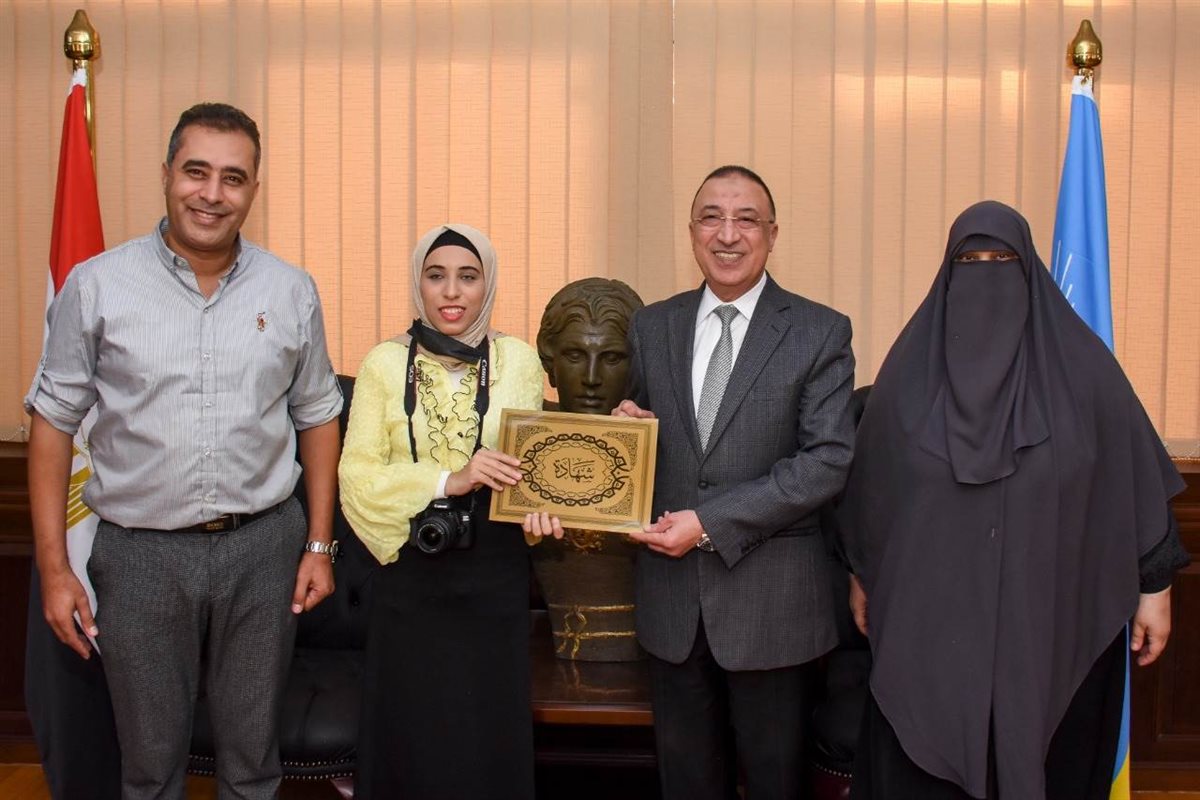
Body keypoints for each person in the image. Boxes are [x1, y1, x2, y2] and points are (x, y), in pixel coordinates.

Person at [26, 102, 344, 800]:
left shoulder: (290, 290)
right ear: (167, 173)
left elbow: (319, 415)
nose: (212, 193)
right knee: (150, 767)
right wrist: (54, 569)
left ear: (253, 190)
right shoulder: (96, 285)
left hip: (264, 549)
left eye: (233, 178)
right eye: (196, 171)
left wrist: (319, 544)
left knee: (253, 763)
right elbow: (52, 423)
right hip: (139, 556)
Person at [838, 201, 1190, 800]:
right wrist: (860, 574)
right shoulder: (906, 382)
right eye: (969, 261)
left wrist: (1154, 588)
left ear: (1029, 271)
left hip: (1053, 624)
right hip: (932, 634)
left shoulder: (1085, 375)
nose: (986, 274)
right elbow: (872, 493)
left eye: (1002, 260)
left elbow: (1134, 478)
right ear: (947, 275)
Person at [612, 165, 857, 799]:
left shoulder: (819, 330)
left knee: (775, 783)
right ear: (691, 231)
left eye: (746, 219)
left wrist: (709, 522)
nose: (727, 234)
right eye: (711, 218)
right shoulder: (652, 326)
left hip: (772, 609)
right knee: (686, 784)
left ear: (772, 234)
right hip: (671, 605)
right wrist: (629, 430)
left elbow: (827, 460)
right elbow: (649, 441)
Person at [339, 223, 559, 799]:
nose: (452, 291)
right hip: (411, 568)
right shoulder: (384, 364)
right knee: (410, 733)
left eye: (468, 276)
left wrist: (540, 512)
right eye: (436, 276)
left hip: (495, 572)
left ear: (489, 284)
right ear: (418, 284)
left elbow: (530, 467)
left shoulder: (518, 361)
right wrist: (449, 480)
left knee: (486, 733)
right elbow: (355, 476)